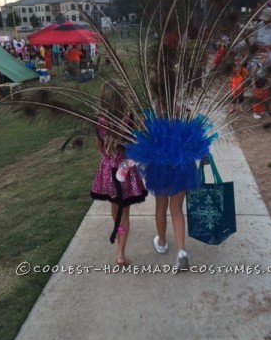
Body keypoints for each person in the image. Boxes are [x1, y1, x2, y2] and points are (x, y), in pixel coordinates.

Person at [126, 70, 215, 271]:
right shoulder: (181, 112)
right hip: (182, 168)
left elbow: (141, 138)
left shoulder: (151, 114)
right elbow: (196, 134)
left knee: (160, 206)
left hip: (160, 170)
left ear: (155, 91)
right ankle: (181, 251)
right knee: (177, 210)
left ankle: (163, 242)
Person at [90, 81, 148, 266]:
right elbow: (134, 144)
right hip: (125, 172)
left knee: (115, 205)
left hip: (107, 171)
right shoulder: (128, 119)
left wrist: (107, 154)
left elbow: (99, 146)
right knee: (125, 214)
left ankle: (119, 230)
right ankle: (120, 253)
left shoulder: (99, 121)